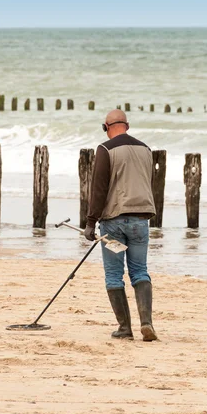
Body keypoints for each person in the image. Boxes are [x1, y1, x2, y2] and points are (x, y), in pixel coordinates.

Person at [84, 109, 158, 342]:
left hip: (114, 222)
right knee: (140, 271)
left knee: (114, 275)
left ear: (106, 127)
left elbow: (99, 188)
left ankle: (125, 328)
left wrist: (90, 221)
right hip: (140, 221)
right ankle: (146, 322)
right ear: (128, 125)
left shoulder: (106, 149)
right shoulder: (145, 149)